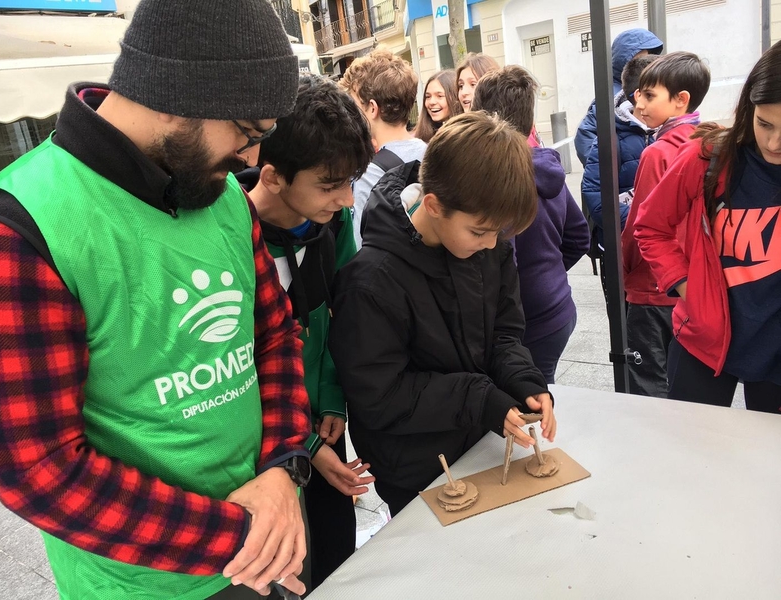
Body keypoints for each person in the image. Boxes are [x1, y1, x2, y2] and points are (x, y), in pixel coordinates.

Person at [0, 1, 313, 598]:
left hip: (271, 537)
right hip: (142, 582)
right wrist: (238, 533)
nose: (254, 159)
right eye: (246, 131)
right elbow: (37, 471)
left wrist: (283, 468)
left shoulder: (225, 200)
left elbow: (276, 335)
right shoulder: (17, 226)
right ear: (172, 91)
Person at [328, 112, 557, 516]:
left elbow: (505, 332)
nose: (490, 244)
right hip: (417, 465)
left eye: (498, 233)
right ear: (433, 205)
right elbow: (378, 395)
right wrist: (480, 398)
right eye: (479, 232)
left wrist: (523, 380)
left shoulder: (488, 244)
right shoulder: (370, 282)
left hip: (480, 444)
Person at [241, 74, 376, 588]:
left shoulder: (333, 226)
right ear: (273, 176)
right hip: (265, 445)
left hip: (322, 423)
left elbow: (341, 319)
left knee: (338, 548)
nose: (346, 198)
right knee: (288, 569)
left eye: (351, 181)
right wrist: (304, 447)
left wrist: (333, 401)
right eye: (329, 184)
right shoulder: (231, 235)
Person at [633, 40, 781, 412]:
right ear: (748, 107)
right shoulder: (709, 155)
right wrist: (688, 288)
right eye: (765, 124)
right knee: (688, 453)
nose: (774, 143)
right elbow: (650, 226)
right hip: (704, 340)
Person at [472, 66, 589, 383]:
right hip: (557, 308)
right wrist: (547, 268)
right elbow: (579, 237)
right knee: (540, 391)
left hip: (521, 324)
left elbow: (496, 261)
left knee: (525, 403)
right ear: (530, 122)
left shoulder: (492, 182)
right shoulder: (549, 172)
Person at [621, 51, 711, 397]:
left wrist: (626, 270)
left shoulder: (657, 153)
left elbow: (639, 226)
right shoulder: (708, 143)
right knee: (685, 383)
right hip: (692, 286)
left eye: (648, 95)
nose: (637, 102)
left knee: (648, 382)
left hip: (651, 285)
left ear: (680, 100)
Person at [581, 54, 658, 313]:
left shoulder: (670, 132)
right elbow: (594, 193)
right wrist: (644, 224)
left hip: (662, 253)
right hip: (622, 249)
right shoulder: (609, 135)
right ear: (640, 96)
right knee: (628, 322)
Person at [340, 48, 426, 248]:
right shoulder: (432, 152)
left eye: (354, 105)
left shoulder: (369, 174)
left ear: (372, 108)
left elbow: (359, 246)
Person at [574, 28, 663, 166]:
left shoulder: (652, 88)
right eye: (640, 58)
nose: (645, 64)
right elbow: (585, 137)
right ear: (625, 60)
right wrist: (610, 167)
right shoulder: (611, 97)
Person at [414, 69, 462, 143]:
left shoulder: (465, 136)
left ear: (455, 96)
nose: (432, 102)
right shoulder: (418, 139)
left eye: (439, 96)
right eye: (428, 96)